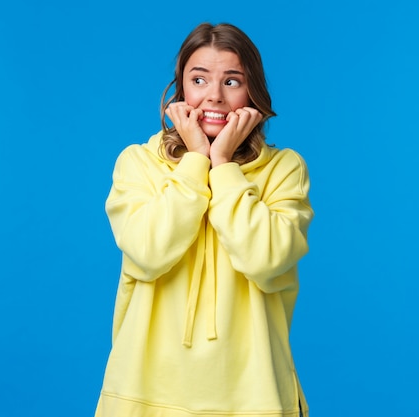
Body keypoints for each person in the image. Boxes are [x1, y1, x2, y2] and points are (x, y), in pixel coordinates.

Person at [94, 22, 314, 417]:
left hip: (254, 398)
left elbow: (265, 259)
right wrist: (196, 161)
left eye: (232, 81)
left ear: (253, 93)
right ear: (181, 90)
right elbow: (149, 251)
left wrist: (223, 166)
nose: (214, 95)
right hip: (143, 392)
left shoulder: (284, 170)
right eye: (199, 79)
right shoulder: (138, 163)